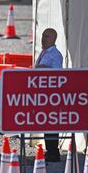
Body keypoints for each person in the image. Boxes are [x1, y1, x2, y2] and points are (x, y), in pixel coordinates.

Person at [35, 28, 64, 162]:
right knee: (47, 123)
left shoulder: (55, 54)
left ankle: (53, 151)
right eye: (43, 35)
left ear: (53, 39)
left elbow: (57, 73)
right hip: (44, 94)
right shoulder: (45, 52)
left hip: (52, 94)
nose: (43, 38)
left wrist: (42, 69)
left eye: (46, 36)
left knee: (52, 124)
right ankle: (50, 150)